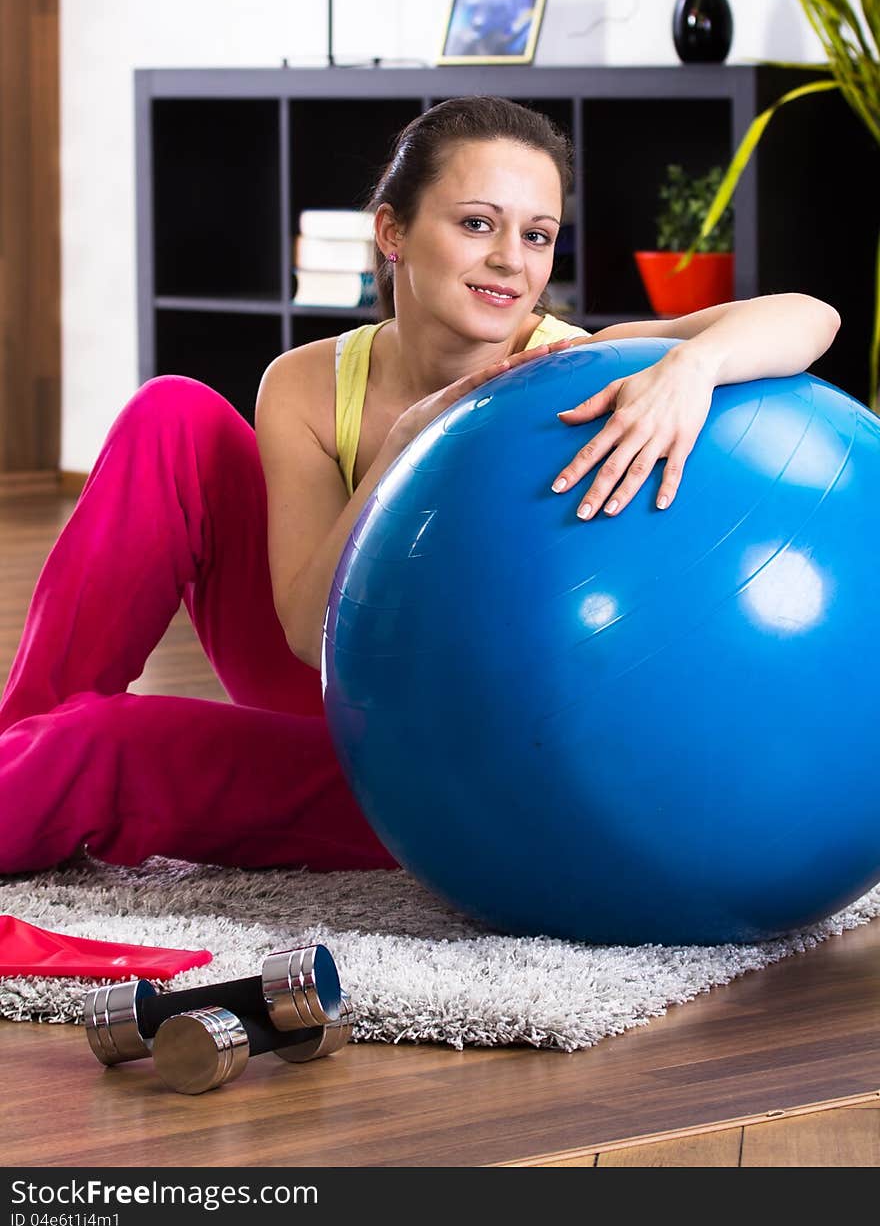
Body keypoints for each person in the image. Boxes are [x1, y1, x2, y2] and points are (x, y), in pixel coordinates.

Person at [0, 97, 840, 875]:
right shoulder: (304, 383)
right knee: (171, 412)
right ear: (392, 231)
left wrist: (693, 364)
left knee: (111, 748)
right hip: (328, 684)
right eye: (478, 223)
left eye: (539, 235)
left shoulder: (568, 368)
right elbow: (303, 634)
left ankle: (38, 776)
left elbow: (812, 315)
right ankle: (19, 745)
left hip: (440, 766)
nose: (511, 261)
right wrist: (405, 443)